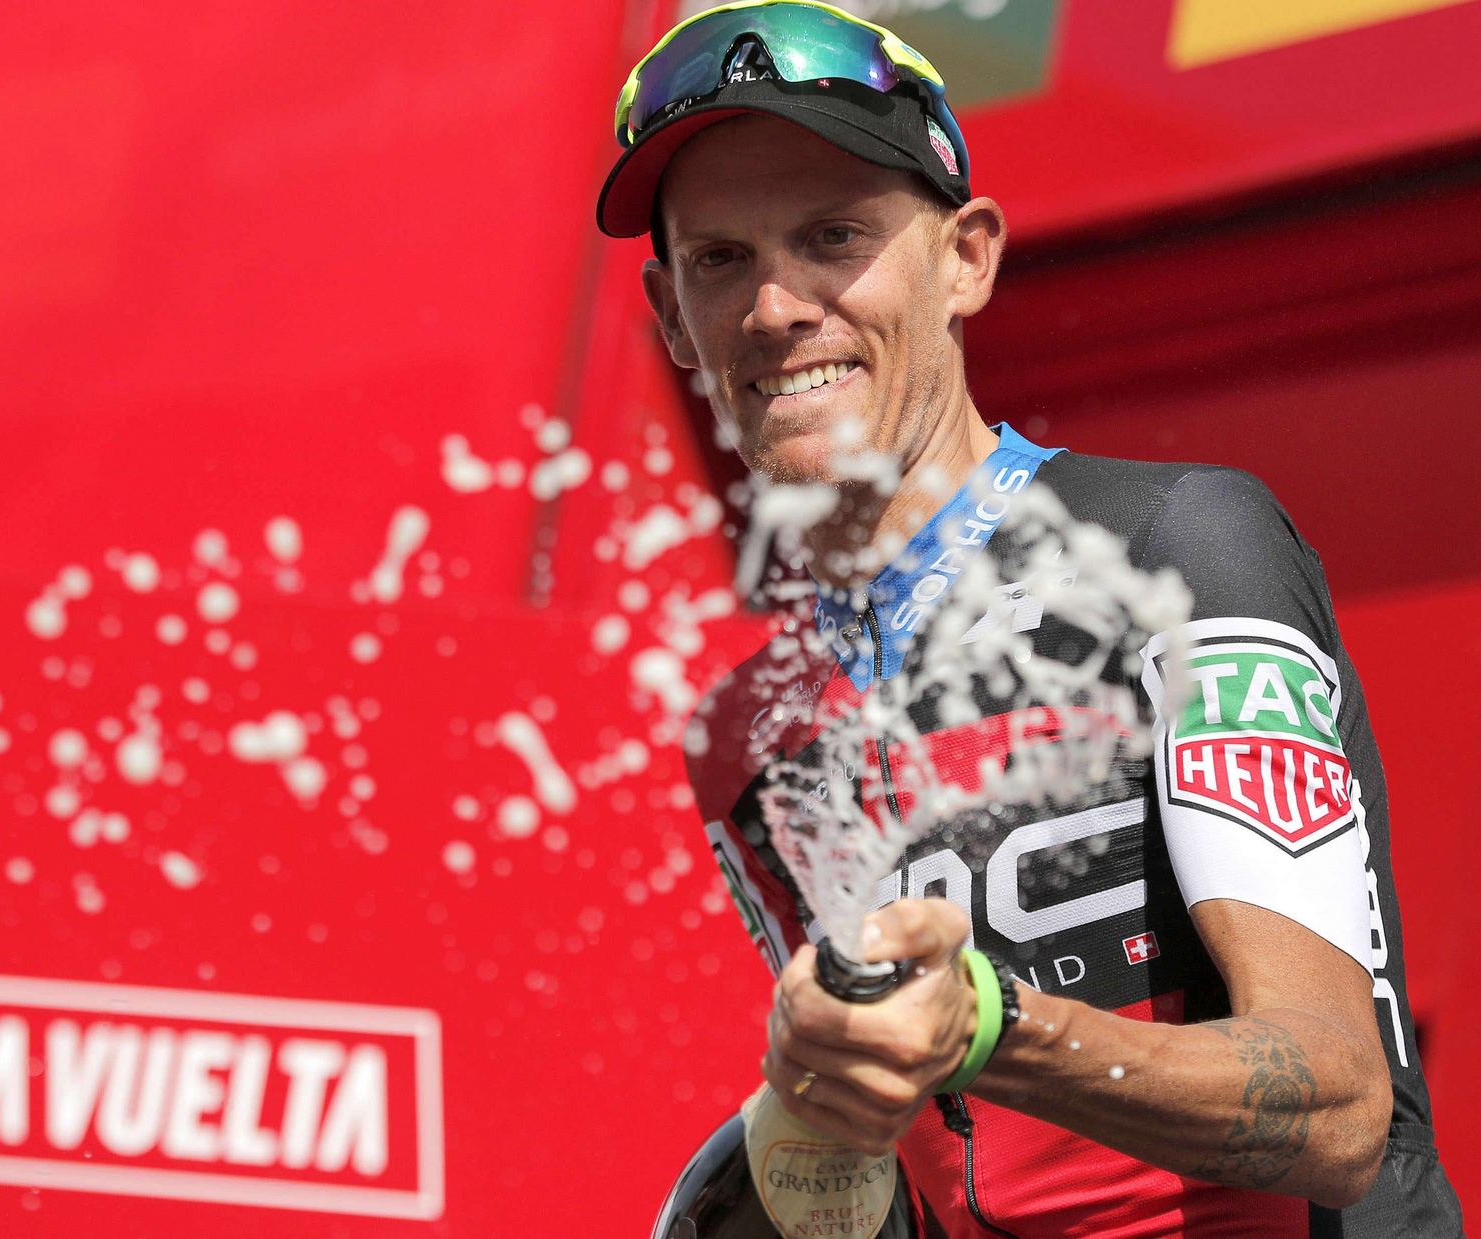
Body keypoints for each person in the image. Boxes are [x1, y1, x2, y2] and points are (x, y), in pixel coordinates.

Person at [595, 3, 1465, 1235]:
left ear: (969, 258)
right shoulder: (747, 734)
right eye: (720, 261)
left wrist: (991, 1023)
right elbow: (932, 1160)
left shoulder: (1172, 551)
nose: (777, 308)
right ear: (673, 316)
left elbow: (1333, 1109)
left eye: (832, 236)